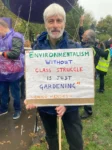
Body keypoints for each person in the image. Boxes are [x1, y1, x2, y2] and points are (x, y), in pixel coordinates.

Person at [25, 3, 83, 150]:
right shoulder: (36, 49)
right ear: (45, 24)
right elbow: (34, 78)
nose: (55, 25)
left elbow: (82, 82)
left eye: (59, 20)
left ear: (64, 23)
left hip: (70, 108)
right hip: (46, 108)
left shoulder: (75, 48)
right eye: (51, 21)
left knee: (76, 141)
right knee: (52, 139)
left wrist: (66, 102)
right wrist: (32, 96)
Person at [79, 16, 109, 119]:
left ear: (87, 38)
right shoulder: (86, 45)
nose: (82, 35)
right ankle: (80, 104)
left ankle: (88, 111)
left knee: (86, 91)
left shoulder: (91, 49)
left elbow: (104, 55)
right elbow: (80, 34)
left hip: (88, 74)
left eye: (84, 35)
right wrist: (81, 22)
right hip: (82, 73)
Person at [0, 18, 24, 119]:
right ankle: (4, 108)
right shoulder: (1, 38)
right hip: (2, 72)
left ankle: (17, 109)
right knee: (3, 92)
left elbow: (15, 53)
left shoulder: (16, 36)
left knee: (15, 92)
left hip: (15, 72)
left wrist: (2, 53)